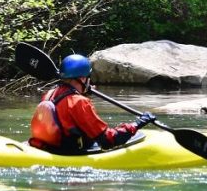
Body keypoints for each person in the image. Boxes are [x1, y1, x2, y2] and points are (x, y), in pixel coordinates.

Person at [28, 53, 156, 154]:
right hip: (68, 153)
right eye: (88, 77)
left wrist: (82, 94)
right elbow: (107, 140)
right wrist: (137, 124)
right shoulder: (79, 102)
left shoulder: (50, 93)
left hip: (47, 146)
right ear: (83, 78)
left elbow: (66, 112)